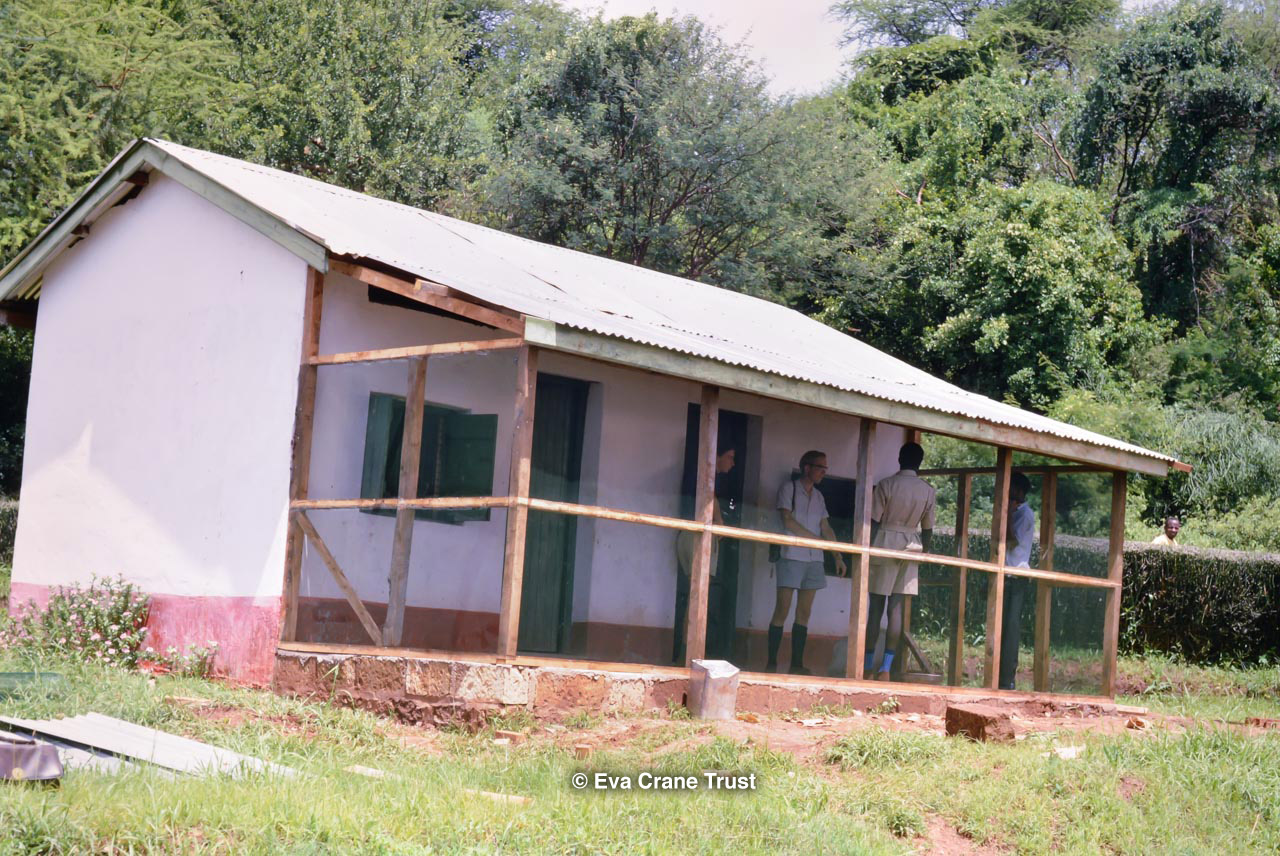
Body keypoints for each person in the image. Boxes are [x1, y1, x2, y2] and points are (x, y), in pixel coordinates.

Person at [768, 450, 848, 674]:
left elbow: (826, 527)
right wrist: (815, 540)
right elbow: (787, 520)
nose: (824, 472)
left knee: (804, 612)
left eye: (825, 468)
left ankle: (796, 664)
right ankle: (771, 662)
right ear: (807, 468)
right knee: (782, 609)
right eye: (820, 467)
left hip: (814, 559)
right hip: (791, 555)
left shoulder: (819, 496)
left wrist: (837, 555)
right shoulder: (789, 489)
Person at [863, 443, 936, 681]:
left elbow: (874, 521)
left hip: (885, 541)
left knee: (876, 607)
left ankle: (867, 666)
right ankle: (886, 668)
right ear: (920, 463)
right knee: (896, 609)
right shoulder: (927, 490)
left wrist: (866, 548)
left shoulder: (887, 485)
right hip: (912, 545)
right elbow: (928, 529)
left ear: (899, 458)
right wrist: (924, 553)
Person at [672, 445, 736, 665]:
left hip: (689, 535)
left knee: (696, 596)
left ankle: (688, 653)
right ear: (717, 455)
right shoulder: (706, 475)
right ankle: (689, 655)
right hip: (697, 537)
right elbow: (710, 499)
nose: (732, 463)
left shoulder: (700, 474)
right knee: (697, 598)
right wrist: (720, 522)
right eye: (729, 457)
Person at [999, 472, 1035, 691]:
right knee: (1001, 626)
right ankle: (998, 677)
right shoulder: (1014, 511)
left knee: (1011, 628)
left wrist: (1007, 514)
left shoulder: (1023, 514)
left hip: (1015, 577)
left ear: (1019, 491)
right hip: (1004, 573)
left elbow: (1011, 541)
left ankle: (1007, 679)